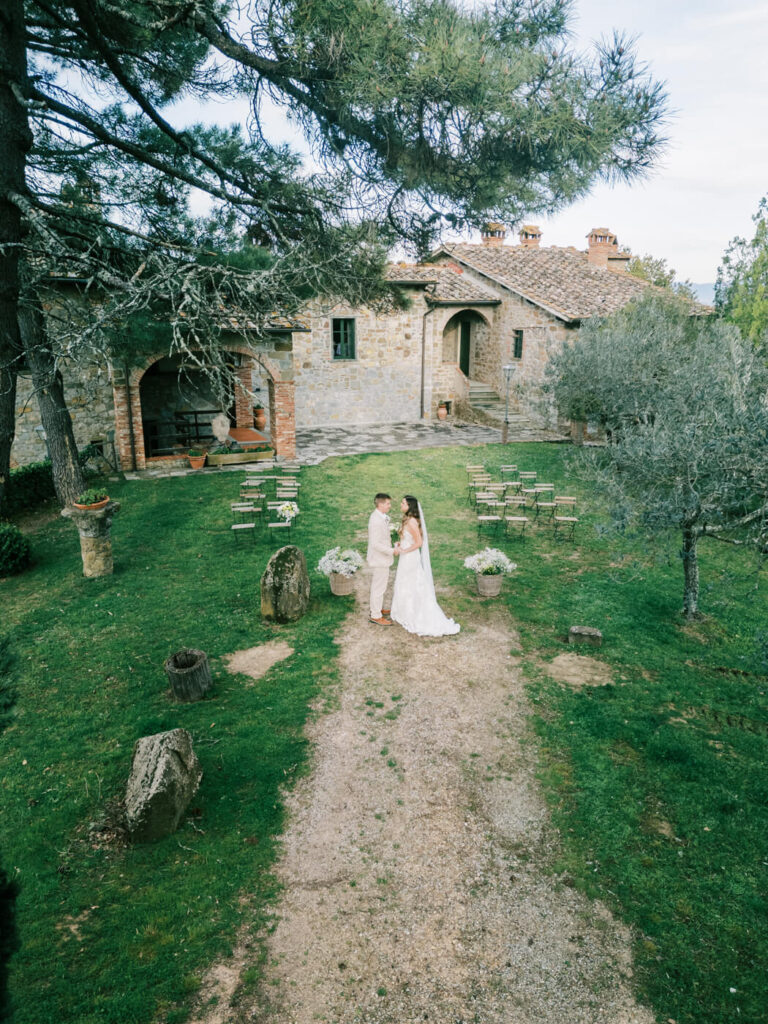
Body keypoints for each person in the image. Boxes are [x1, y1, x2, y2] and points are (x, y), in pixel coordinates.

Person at [390, 495, 460, 637]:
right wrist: (399, 544)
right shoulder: (407, 520)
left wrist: (404, 550)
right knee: (404, 583)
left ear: (410, 506)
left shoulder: (412, 522)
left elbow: (419, 543)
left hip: (410, 558)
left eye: (403, 503)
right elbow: (406, 538)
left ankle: (414, 614)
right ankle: (403, 611)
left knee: (411, 584)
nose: (400, 504)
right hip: (405, 557)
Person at [366, 492, 394, 626]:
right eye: (388, 503)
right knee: (378, 587)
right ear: (380, 504)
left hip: (382, 558)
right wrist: (392, 551)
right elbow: (375, 544)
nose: (390, 506)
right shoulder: (376, 520)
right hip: (379, 559)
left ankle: (378, 609)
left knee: (381, 586)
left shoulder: (381, 517)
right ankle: (375, 615)